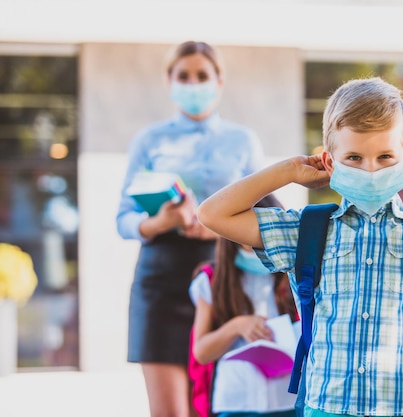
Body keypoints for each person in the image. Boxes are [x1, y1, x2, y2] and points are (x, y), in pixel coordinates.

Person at [195, 77, 403, 417]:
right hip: (328, 408)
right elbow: (212, 214)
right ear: (330, 163)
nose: (370, 169)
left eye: (386, 156)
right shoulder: (307, 230)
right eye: (354, 158)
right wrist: (287, 171)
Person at [116, 40, 265, 417]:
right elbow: (123, 219)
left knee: (223, 405)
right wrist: (159, 222)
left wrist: (216, 229)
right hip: (160, 284)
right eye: (184, 76)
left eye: (202, 75)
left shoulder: (243, 141)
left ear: (219, 80)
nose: (193, 83)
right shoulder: (148, 140)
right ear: (169, 81)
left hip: (223, 282)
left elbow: (264, 214)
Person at [189, 194, 298, 417]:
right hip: (236, 400)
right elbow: (201, 352)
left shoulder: (294, 276)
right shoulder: (212, 280)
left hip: (288, 400)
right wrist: (237, 326)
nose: (259, 243)